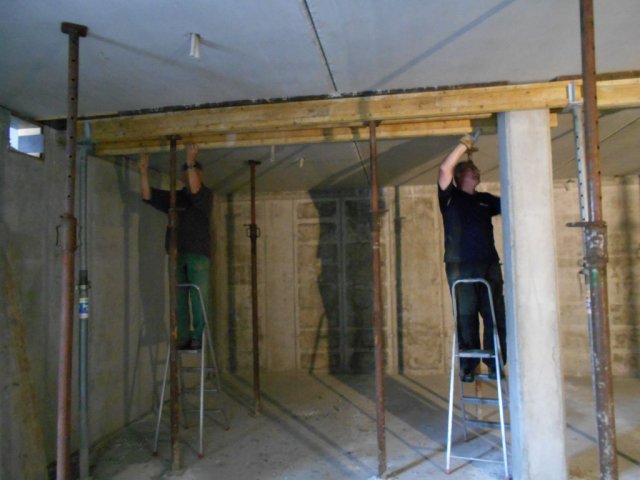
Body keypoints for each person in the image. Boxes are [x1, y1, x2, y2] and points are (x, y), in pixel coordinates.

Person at [437, 133, 506, 383]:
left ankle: (495, 363)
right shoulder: (451, 198)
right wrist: (464, 145)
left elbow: (514, 202)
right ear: (459, 176)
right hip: (460, 266)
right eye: (471, 170)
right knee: (466, 316)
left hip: (488, 265)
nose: (477, 172)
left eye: (477, 171)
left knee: (495, 315)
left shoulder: (485, 200)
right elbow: (444, 168)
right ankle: (468, 366)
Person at [139, 144, 213, 350]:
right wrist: (143, 172)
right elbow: (147, 196)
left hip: (198, 255)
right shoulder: (176, 197)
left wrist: (190, 161)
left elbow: (195, 190)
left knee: (198, 297)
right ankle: (183, 337)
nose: (188, 175)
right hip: (176, 255)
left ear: (200, 175)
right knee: (178, 298)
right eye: (186, 172)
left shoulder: (205, 195)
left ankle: (198, 336)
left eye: (192, 172)